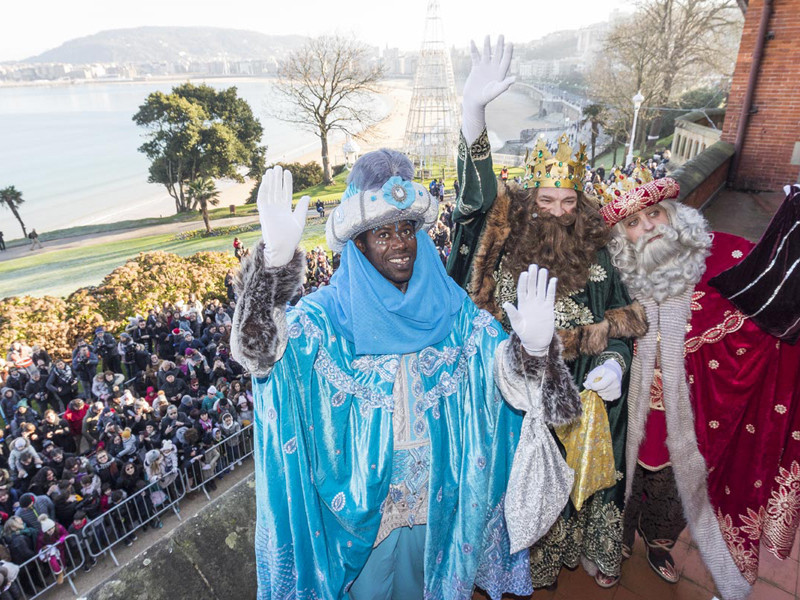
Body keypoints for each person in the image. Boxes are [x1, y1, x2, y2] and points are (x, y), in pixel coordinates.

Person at [231, 155, 582, 599]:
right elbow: (261, 357)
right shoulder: (324, 317)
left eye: (407, 229)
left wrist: (532, 350)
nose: (401, 244)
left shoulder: (449, 307)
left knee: (425, 587)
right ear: (358, 244)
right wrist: (270, 270)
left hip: (436, 498)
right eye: (383, 233)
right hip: (359, 510)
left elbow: (501, 377)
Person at [446, 36, 648, 589]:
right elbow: (476, 198)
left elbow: (624, 318)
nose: (558, 213)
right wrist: (473, 116)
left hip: (585, 393)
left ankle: (586, 548)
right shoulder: (506, 241)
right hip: (516, 391)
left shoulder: (601, 249)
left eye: (568, 202)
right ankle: (524, 559)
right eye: (546, 201)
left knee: (587, 479)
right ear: (531, 200)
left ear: (580, 203)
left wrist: (615, 363)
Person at [600, 175, 800, 598]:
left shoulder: (723, 255)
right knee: (621, 481)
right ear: (620, 236)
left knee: (678, 485)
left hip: (694, 411)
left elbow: (771, 286)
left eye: (654, 213)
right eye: (633, 222)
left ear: (673, 215)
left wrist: (792, 226)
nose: (648, 226)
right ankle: (615, 543)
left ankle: (658, 544)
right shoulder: (611, 278)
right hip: (626, 409)